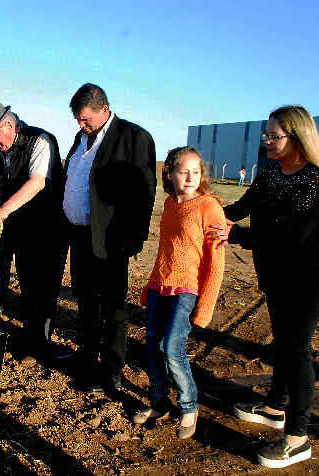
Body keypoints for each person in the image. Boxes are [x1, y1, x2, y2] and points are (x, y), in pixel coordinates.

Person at [209, 105, 319, 468]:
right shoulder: (271, 174)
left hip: (310, 277)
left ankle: (298, 438)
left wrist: (239, 236)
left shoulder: (316, 180)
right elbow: (241, 208)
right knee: (284, 343)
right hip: (279, 274)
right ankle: (273, 407)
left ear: (298, 138)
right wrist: (203, 206)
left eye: (274, 135)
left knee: (296, 349)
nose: (266, 140)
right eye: (266, 134)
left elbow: (292, 236)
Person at [61, 83, 156, 395]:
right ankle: (86, 358)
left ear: (104, 109)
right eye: (77, 120)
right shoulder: (81, 138)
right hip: (80, 235)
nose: (81, 125)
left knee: (113, 307)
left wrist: (135, 234)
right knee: (86, 302)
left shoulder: (134, 137)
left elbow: (145, 189)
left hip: (111, 238)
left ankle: (112, 371)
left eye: (85, 119)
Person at [0, 99, 67, 368]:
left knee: (41, 287)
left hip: (48, 227)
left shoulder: (40, 140)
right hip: (23, 227)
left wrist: (3, 209)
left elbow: (38, 181)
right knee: (28, 284)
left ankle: (37, 346)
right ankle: (28, 334)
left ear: (9, 124)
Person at [131, 147, 225, 440]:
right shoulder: (170, 203)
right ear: (170, 174)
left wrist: (206, 304)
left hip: (187, 289)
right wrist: (151, 285)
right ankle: (159, 403)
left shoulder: (209, 206)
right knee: (151, 347)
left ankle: (189, 406)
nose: (190, 177)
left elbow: (217, 260)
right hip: (160, 286)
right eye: (183, 172)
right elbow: (165, 252)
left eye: (196, 172)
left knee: (172, 348)